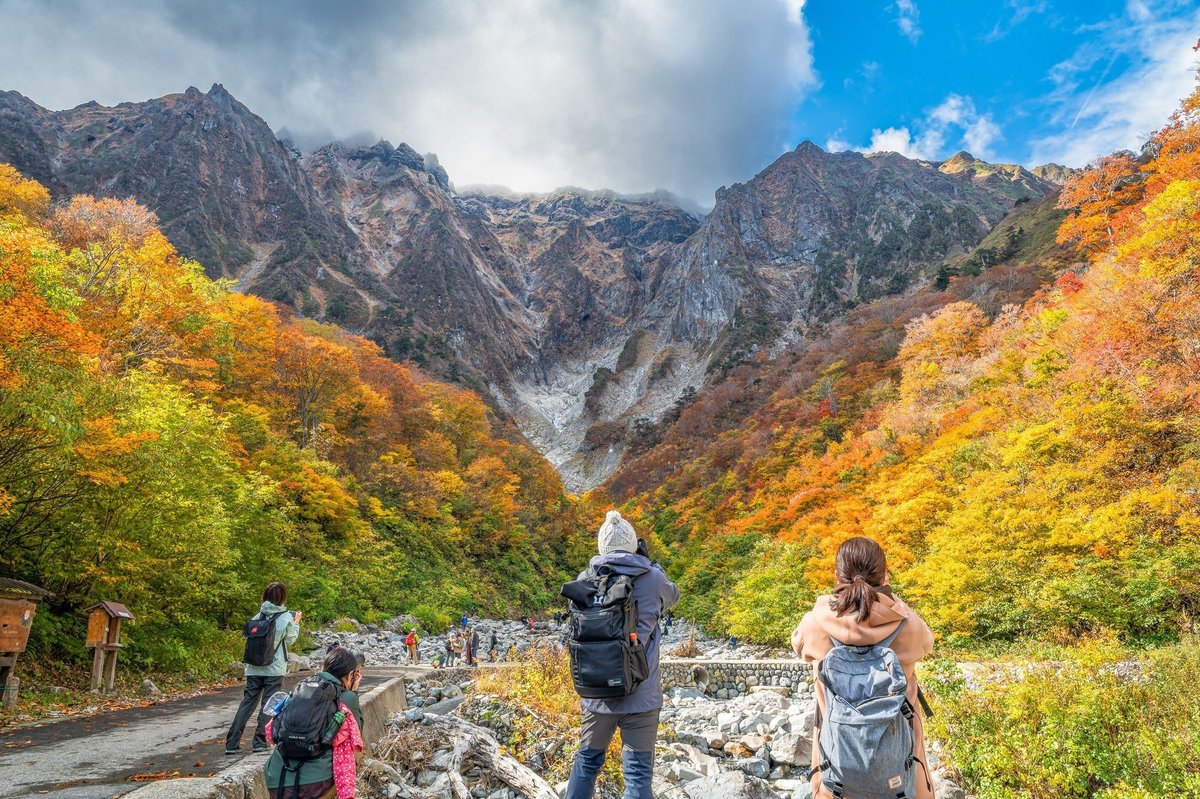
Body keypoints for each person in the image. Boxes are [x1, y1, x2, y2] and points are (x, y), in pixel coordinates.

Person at [791, 537, 935, 799]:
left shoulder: (814, 624)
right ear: (885, 574)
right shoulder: (909, 625)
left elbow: (798, 644)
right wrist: (893, 604)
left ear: (837, 576)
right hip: (903, 772)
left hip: (836, 773)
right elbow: (928, 643)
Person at [565, 510, 679, 799]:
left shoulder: (585, 578)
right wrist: (652, 564)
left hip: (596, 693)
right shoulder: (652, 578)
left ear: (601, 547)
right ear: (632, 544)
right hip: (641, 694)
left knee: (587, 762)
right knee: (638, 775)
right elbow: (674, 596)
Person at [264, 647, 365, 799]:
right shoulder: (346, 697)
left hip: (276, 778)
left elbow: (273, 732)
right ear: (351, 675)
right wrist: (353, 692)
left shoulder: (301, 688)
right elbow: (356, 739)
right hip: (314, 786)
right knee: (355, 750)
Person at [226, 582, 301, 755]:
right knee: (269, 704)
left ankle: (231, 743)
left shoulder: (258, 614)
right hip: (274, 668)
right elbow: (290, 640)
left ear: (266, 596)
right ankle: (260, 742)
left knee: (247, 703)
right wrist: (296, 622)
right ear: (283, 598)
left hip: (253, 667)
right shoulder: (285, 617)